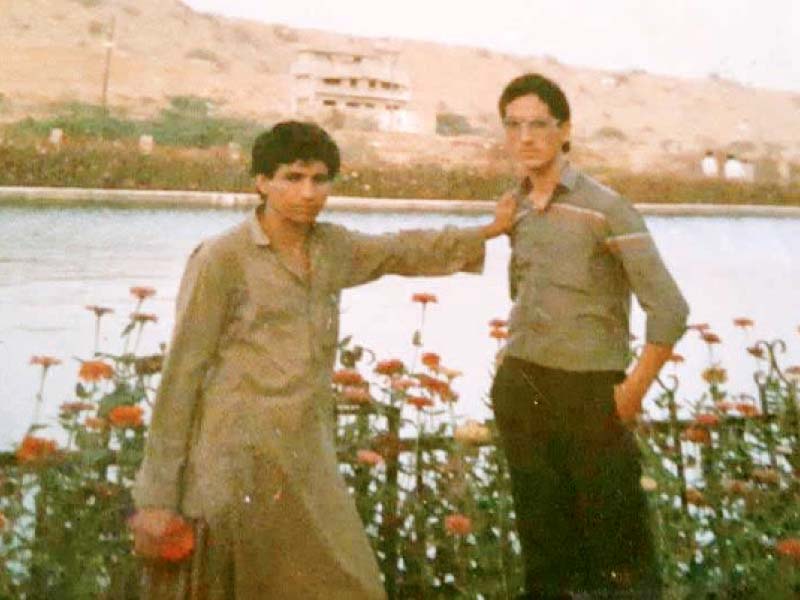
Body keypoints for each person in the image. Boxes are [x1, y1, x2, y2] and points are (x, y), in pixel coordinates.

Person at [129, 121, 515, 599]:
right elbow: (181, 376)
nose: (308, 193)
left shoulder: (332, 248)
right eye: (292, 178)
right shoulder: (222, 259)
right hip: (234, 465)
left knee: (354, 584)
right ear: (261, 182)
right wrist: (157, 499)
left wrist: (489, 230)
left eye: (320, 179)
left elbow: (399, 250)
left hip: (307, 459)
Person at [489, 74, 689, 599]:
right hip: (524, 388)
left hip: (591, 396)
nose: (526, 137)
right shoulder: (516, 207)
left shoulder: (607, 208)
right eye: (514, 125)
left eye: (539, 125)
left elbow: (668, 308)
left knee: (618, 554)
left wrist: (631, 393)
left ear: (565, 130)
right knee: (545, 553)